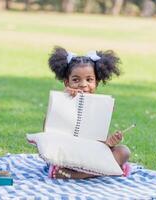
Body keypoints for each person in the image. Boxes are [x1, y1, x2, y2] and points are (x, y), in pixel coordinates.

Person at [46, 46, 131, 179]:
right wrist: (62, 102)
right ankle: (107, 170)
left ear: (96, 83)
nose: (83, 84)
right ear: (66, 82)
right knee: (58, 157)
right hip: (68, 154)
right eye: (76, 80)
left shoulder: (102, 105)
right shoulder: (62, 100)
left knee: (123, 152)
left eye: (89, 79)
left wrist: (109, 142)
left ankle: (78, 175)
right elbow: (48, 133)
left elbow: (98, 143)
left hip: (91, 155)